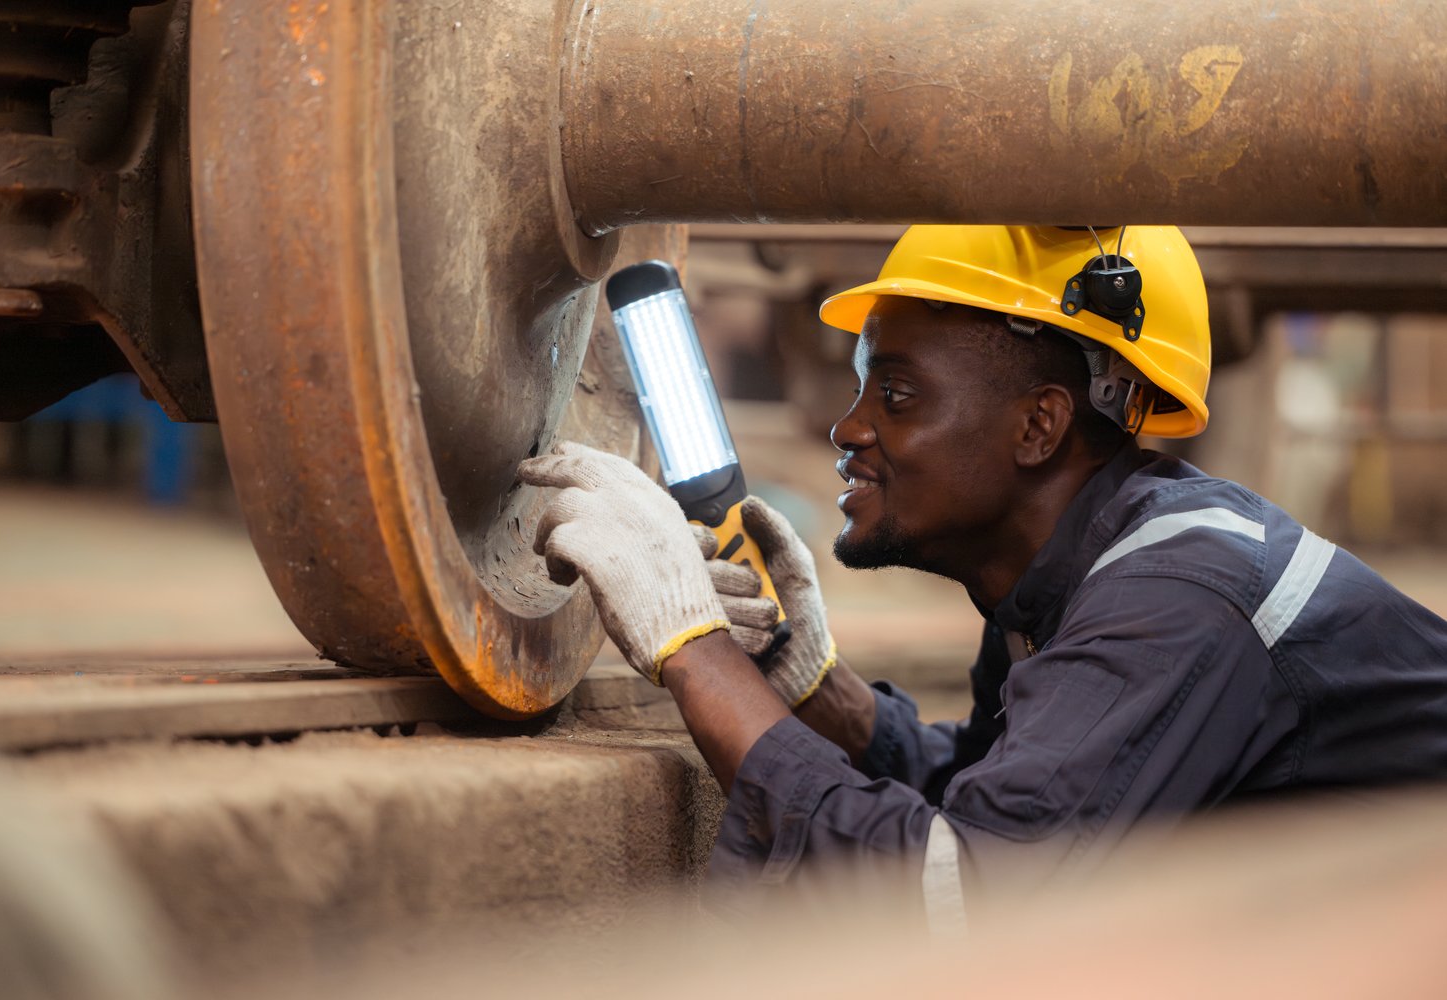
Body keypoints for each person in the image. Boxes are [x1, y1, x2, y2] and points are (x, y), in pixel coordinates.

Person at [517, 225, 1447, 928]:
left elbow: (958, 892)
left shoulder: (1180, 600)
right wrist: (815, 688)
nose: (848, 430)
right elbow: (1009, 795)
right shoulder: (1065, 581)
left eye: (898, 394)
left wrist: (694, 649)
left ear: (1039, 426)